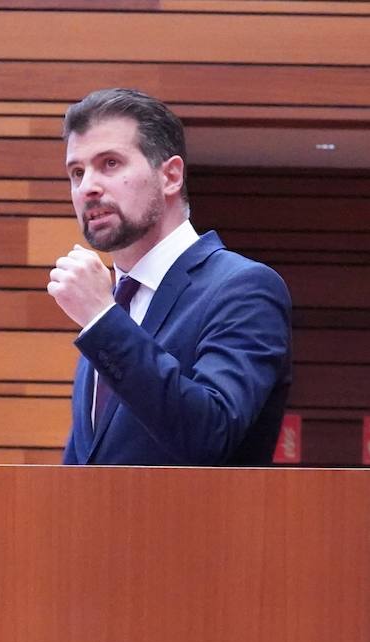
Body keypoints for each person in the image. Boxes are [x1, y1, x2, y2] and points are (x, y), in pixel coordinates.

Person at [48, 88, 292, 465]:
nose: (87, 187)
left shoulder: (243, 288)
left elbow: (210, 436)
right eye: (77, 172)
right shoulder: (113, 306)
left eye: (110, 163)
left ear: (171, 176)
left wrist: (102, 320)